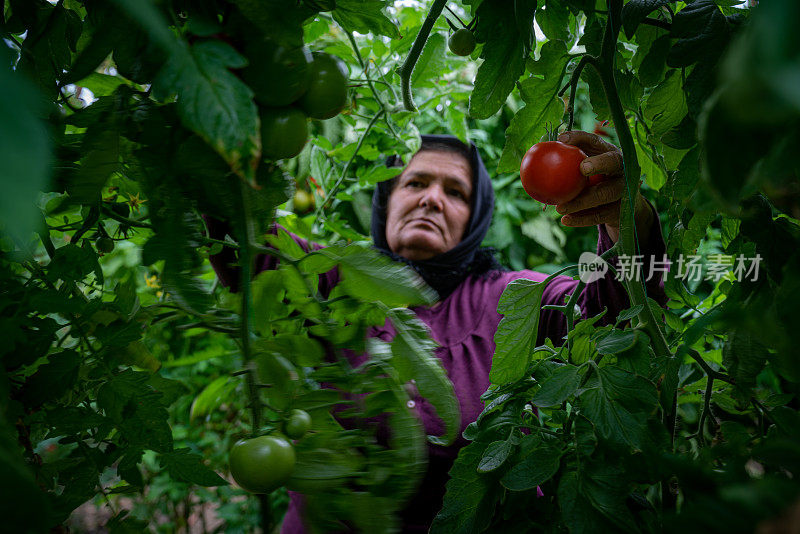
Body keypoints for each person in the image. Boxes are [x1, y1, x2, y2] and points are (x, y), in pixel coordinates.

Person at [206, 131, 667, 533]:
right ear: (385, 203)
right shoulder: (332, 279)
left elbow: (612, 311)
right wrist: (229, 123)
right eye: (415, 183)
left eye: (456, 191)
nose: (431, 198)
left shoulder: (515, 296)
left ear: (476, 217)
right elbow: (243, 243)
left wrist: (629, 220)